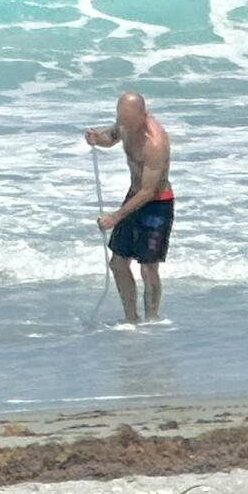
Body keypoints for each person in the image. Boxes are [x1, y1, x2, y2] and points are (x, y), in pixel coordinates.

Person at [83, 90, 174, 325]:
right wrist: (97, 139)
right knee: (118, 263)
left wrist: (115, 217)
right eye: (122, 120)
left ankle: (152, 319)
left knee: (148, 267)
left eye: (130, 122)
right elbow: (111, 137)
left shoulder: (155, 143)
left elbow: (149, 191)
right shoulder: (125, 124)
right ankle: (131, 318)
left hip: (157, 202)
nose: (126, 127)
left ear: (143, 115)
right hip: (134, 197)